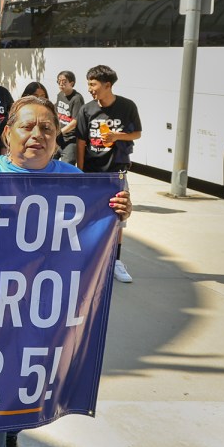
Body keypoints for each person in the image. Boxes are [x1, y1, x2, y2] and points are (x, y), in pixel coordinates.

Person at [0, 94, 132, 447]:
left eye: (46, 128)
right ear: (7, 133)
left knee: (24, 379)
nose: (37, 135)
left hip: (44, 309)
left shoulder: (76, 181)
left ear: (57, 137)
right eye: (27, 126)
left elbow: (99, 229)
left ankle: (11, 436)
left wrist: (118, 213)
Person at [78, 65, 141, 283]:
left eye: (93, 84)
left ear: (108, 85)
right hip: (92, 172)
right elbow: (81, 141)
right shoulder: (86, 110)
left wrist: (116, 136)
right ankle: (89, 258)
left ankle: (116, 261)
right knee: (88, 217)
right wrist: (80, 170)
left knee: (118, 218)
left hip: (117, 172)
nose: (90, 88)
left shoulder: (127, 106)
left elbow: (137, 133)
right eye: (88, 84)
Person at [54, 70, 86, 166]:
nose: (61, 84)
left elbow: (75, 121)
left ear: (71, 83)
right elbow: (56, 112)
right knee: (48, 162)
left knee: (66, 166)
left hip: (71, 140)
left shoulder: (77, 99)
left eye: (64, 81)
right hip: (58, 138)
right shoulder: (60, 95)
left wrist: (60, 131)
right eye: (58, 81)